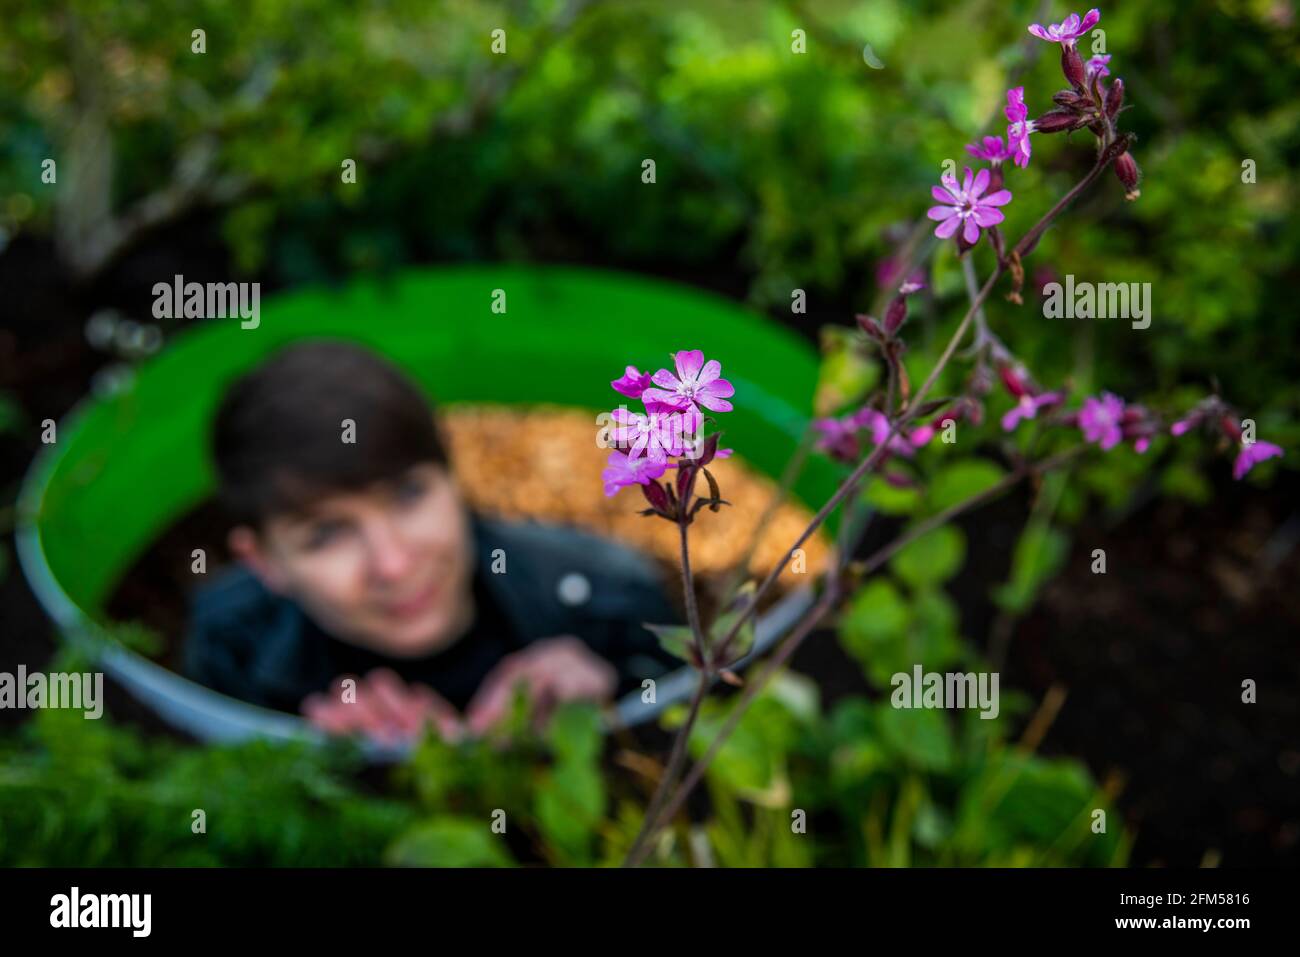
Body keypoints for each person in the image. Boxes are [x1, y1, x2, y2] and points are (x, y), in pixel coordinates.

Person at [182, 339, 681, 745]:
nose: (394, 564)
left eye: (407, 494)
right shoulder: (231, 645)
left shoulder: (606, 595)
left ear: (452, 474)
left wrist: (616, 713)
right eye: (326, 534)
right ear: (264, 562)